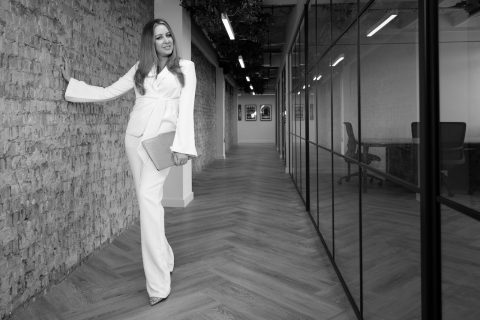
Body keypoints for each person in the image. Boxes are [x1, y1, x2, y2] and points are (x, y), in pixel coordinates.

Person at [60, 18, 197, 306]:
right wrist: (73, 85)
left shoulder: (186, 68)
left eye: (168, 35)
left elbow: (187, 109)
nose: (166, 40)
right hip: (134, 140)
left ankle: (158, 285)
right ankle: (166, 257)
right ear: (151, 42)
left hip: (162, 144)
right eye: (159, 37)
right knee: (148, 205)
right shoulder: (140, 68)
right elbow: (110, 91)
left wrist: (183, 147)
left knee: (148, 202)